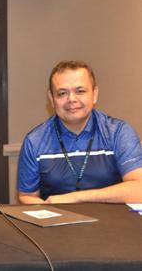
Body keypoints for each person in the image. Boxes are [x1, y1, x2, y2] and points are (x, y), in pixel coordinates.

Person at [18, 60, 142, 204]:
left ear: (94, 94)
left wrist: (75, 197)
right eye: (62, 93)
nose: (71, 99)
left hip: (112, 223)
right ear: (52, 99)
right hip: (57, 224)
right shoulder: (34, 141)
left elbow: (139, 189)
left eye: (80, 91)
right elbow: (27, 196)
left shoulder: (119, 133)